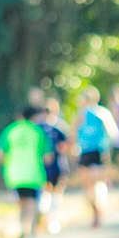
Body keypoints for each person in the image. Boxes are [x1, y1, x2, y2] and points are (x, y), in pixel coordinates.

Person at [0, 106, 52, 238]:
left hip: (14, 176)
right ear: (34, 117)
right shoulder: (38, 131)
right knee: (32, 207)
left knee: (22, 205)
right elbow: (48, 157)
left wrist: (9, 162)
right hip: (33, 175)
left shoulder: (10, 130)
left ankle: (22, 230)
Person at [71, 87, 119, 227]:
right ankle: (97, 210)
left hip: (95, 151)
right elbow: (74, 132)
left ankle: (98, 209)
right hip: (92, 152)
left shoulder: (99, 113)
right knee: (92, 185)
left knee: (93, 184)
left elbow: (112, 132)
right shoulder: (85, 114)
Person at [38, 98, 71, 229]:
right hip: (56, 164)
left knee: (49, 192)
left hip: (49, 165)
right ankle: (50, 219)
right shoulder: (59, 126)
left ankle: (48, 218)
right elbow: (68, 143)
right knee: (55, 192)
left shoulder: (38, 127)